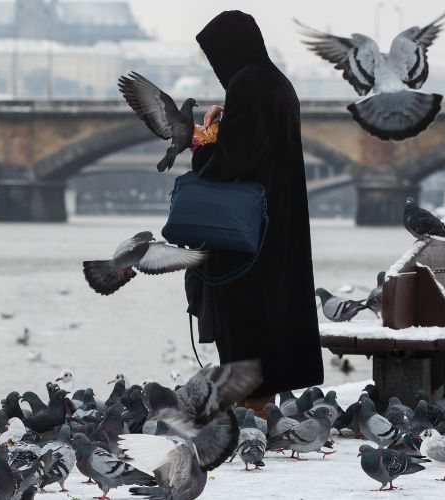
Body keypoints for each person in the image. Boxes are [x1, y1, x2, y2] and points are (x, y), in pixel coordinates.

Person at [186, 11, 323, 405]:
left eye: (215, 56)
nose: (215, 68)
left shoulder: (248, 84)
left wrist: (201, 144)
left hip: (247, 235)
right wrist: (227, 121)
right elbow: (262, 143)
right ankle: (268, 414)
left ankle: (253, 422)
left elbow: (232, 160)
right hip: (278, 226)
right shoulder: (277, 83)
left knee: (245, 327)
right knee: (274, 325)